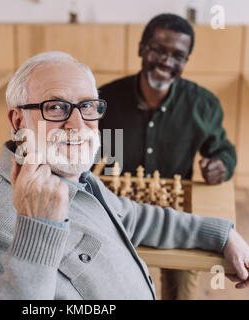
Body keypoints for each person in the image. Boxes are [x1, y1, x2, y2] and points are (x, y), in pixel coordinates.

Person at [0, 51, 249, 300]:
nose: (78, 125)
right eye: (56, 107)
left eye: (88, 106)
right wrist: (37, 229)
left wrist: (221, 235)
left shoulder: (72, 176)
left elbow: (130, 218)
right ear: (18, 120)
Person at [98, 13, 238, 300]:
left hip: (174, 215)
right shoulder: (106, 100)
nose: (166, 61)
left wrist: (221, 165)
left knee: (183, 288)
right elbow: (85, 155)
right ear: (141, 48)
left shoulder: (202, 105)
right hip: (117, 212)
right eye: (158, 50)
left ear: (186, 61)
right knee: (103, 285)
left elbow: (223, 150)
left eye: (178, 55)